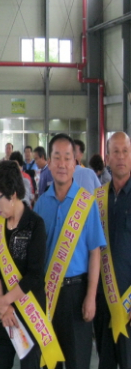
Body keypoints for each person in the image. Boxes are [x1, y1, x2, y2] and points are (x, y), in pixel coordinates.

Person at [33, 133, 106, 369]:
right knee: (48, 362)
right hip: (47, 295)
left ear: (75, 163)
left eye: (67, 158)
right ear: (49, 162)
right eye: (57, 157)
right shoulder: (41, 204)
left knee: (78, 362)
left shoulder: (87, 203)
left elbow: (95, 252)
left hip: (77, 294)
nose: (62, 164)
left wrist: (91, 297)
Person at [0, 161, 64, 369]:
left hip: (29, 311)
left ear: (13, 194)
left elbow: (35, 275)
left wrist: (5, 301)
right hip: (4, 314)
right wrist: (2, 305)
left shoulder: (35, 224)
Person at [94, 132, 131, 369]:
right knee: (105, 362)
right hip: (102, 300)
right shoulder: (97, 199)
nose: (121, 157)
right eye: (115, 152)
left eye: (125, 151)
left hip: (129, 302)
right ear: (107, 158)